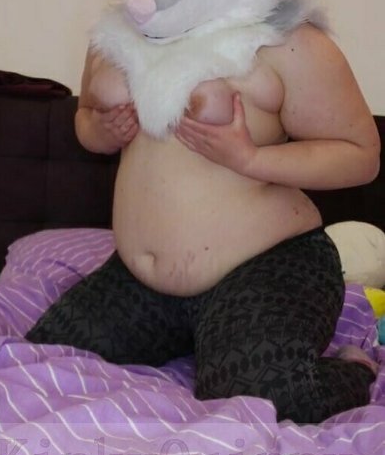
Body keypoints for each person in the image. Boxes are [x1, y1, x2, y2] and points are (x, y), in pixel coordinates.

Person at [26, 22, 381, 424]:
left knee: (261, 397)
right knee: (46, 357)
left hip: (268, 265)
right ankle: (205, 336)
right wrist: (102, 130)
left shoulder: (288, 39)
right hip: (145, 283)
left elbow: (361, 156)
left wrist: (251, 159)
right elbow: (86, 117)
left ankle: (354, 369)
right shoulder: (121, 28)